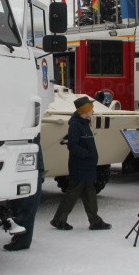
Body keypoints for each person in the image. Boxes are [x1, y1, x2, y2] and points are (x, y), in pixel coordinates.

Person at [50, 97, 111, 231]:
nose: (93, 112)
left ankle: (94, 220)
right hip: (81, 165)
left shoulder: (83, 123)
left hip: (86, 165)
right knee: (74, 192)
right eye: (91, 109)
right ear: (84, 110)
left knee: (89, 191)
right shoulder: (76, 125)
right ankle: (59, 219)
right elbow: (72, 145)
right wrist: (87, 155)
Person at [4, 134, 44, 250]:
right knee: (17, 202)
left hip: (28, 162)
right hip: (20, 161)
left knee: (27, 203)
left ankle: (23, 239)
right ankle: (19, 233)